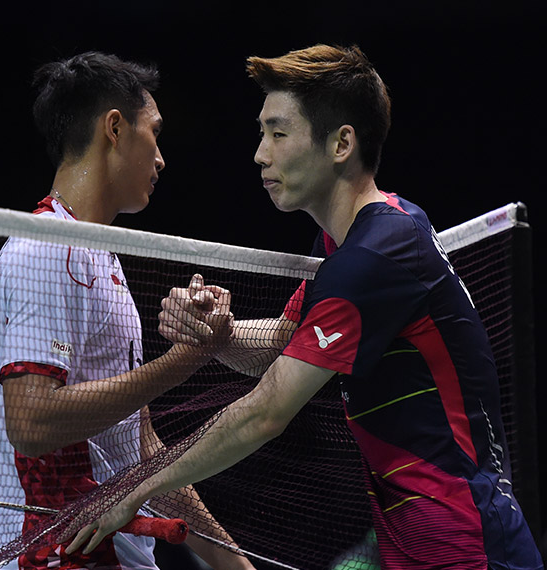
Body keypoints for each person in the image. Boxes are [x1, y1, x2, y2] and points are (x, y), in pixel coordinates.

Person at [66, 44, 544, 569]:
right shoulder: (361, 238)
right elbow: (285, 342)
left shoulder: (377, 256)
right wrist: (219, 334)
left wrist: (134, 488)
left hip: (466, 545)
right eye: (262, 132)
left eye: (279, 132)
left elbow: (267, 409)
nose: (260, 153)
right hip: (416, 541)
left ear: (341, 143)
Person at [0, 51, 255, 570]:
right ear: (115, 129)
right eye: (156, 132)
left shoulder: (101, 264)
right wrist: (187, 360)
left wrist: (233, 563)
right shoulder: (47, 250)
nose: (163, 158)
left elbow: (141, 452)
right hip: (48, 557)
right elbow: (31, 423)